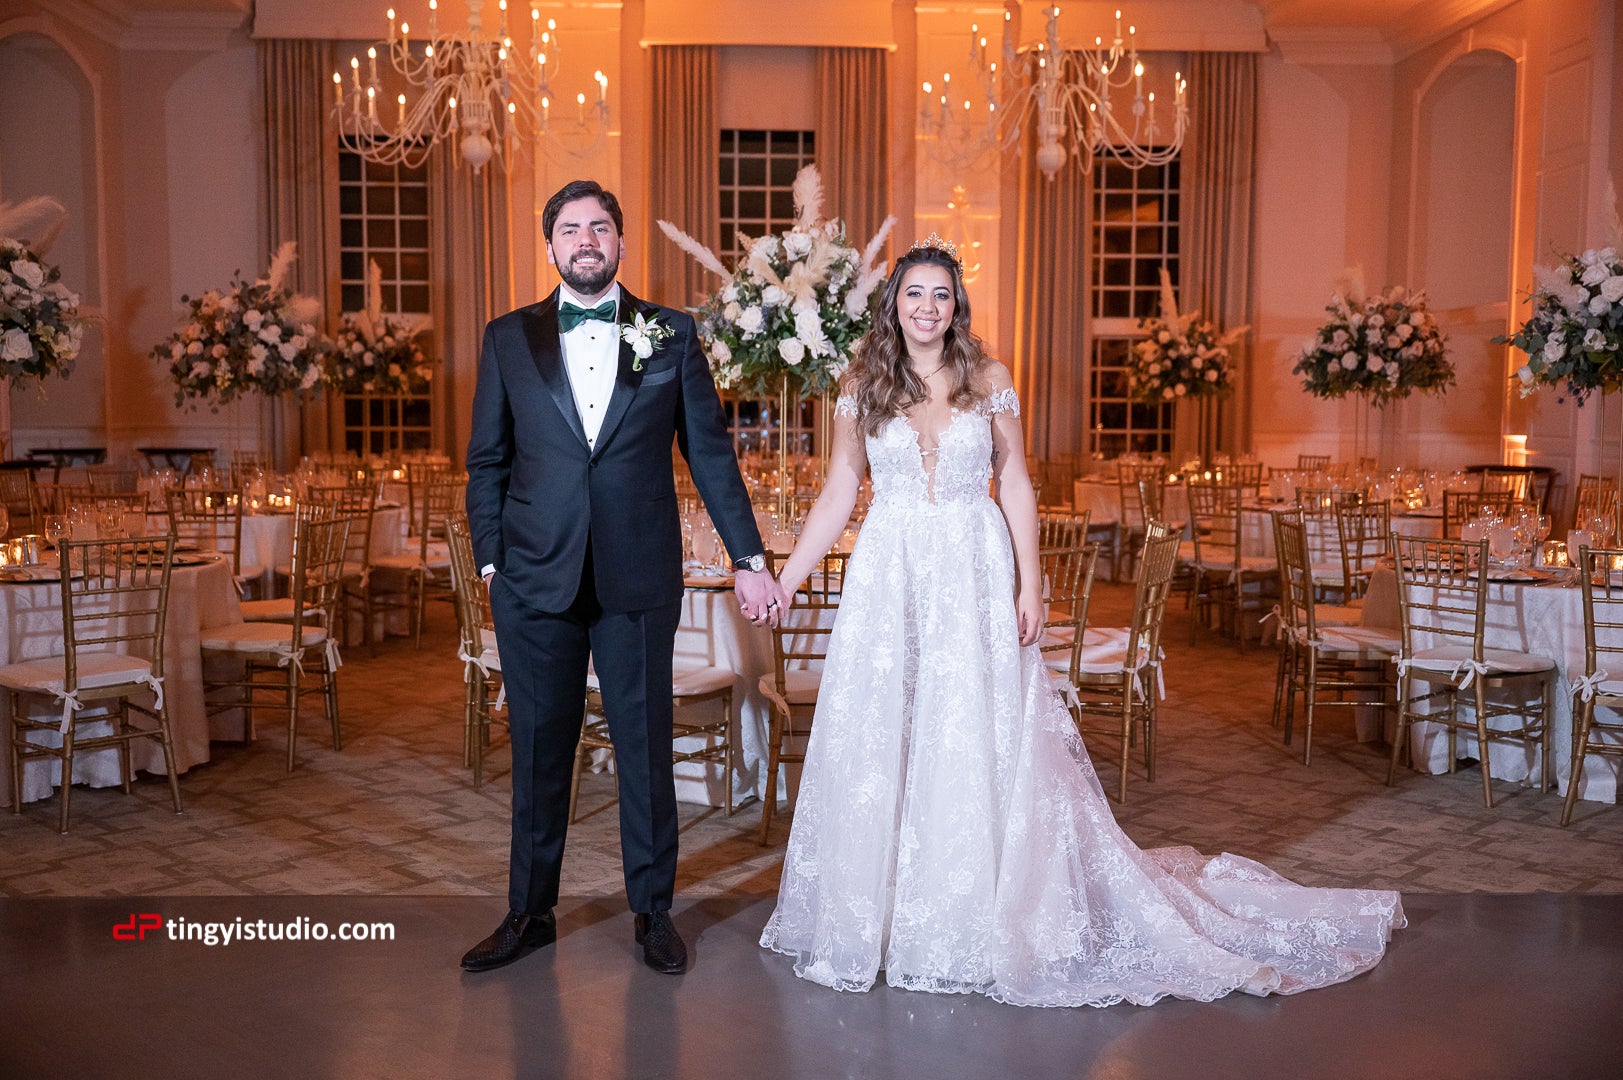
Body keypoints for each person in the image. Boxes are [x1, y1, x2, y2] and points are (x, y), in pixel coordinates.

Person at [758, 236, 1405, 1006]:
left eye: (940, 295)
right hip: (888, 573)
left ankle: (968, 914)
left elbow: (1018, 485)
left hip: (971, 566)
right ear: (891, 302)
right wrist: (788, 578)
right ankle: (884, 911)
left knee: (970, 731)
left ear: (955, 305)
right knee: (884, 731)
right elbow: (839, 489)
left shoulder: (987, 378)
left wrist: (1031, 585)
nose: (927, 308)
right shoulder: (860, 381)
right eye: (913, 294)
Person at [462, 179, 786, 975]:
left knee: (645, 751)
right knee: (540, 750)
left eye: (598, 228)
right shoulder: (508, 338)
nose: (584, 240)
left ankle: (652, 915)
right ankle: (528, 912)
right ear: (549, 247)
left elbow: (710, 454)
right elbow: (487, 462)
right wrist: (494, 560)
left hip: (637, 578)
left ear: (619, 242)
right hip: (534, 579)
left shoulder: (670, 333)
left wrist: (748, 558)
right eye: (569, 228)